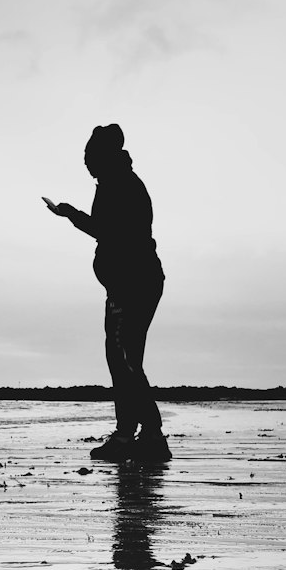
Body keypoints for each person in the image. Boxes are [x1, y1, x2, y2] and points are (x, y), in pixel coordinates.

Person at [44, 123, 170, 462]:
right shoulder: (115, 182)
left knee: (123, 359)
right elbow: (107, 232)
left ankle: (145, 435)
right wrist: (71, 214)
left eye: (89, 157)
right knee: (125, 360)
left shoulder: (122, 185)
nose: (85, 163)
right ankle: (135, 434)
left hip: (132, 284)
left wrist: (69, 214)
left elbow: (110, 232)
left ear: (104, 156)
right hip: (129, 283)